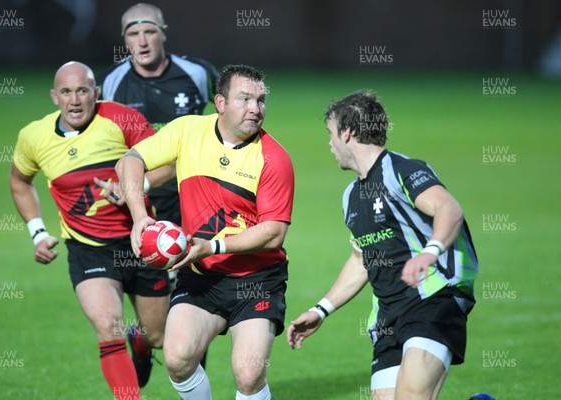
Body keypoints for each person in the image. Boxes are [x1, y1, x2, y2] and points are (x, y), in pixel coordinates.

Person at [115, 64, 294, 400]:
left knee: (249, 372)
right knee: (177, 357)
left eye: (261, 100)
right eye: (245, 99)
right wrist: (140, 217)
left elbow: (273, 233)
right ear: (221, 102)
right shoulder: (187, 131)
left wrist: (210, 247)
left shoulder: (274, 158)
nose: (256, 109)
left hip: (256, 280)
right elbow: (130, 161)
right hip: (201, 278)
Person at [287, 91, 478, 400]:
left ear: (346, 133)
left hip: (433, 298)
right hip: (388, 316)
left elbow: (449, 209)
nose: (330, 144)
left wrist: (429, 253)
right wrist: (321, 310)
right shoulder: (351, 195)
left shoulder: (402, 170)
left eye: (330, 134)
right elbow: (362, 258)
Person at [9, 61, 174, 400]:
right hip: (88, 249)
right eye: (66, 92)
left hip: (141, 242)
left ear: (95, 93)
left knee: (159, 336)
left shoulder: (121, 118)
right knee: (106, 326)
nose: (74, 100)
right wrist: (38, 232)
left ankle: (141, 343)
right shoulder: (33, 136)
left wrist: (132, 186)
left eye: (82, 90)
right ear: (54, 96)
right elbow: (19, 181)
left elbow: (170, 162)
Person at [97, 6, 218, 383]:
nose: (142, 41)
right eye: (133, 34)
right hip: (141, 210)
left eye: (150, 32)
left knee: (200, 295)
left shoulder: (198, 74)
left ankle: (196, 387)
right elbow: (101, 143)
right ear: (124, 40)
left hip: (196, 203)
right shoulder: (112, 83)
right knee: (157, 328)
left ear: (163, 33)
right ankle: (144, 340)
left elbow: (229, 121)